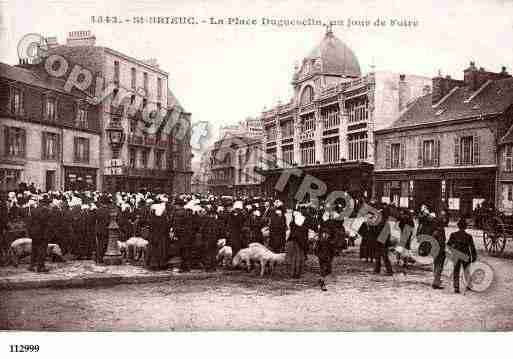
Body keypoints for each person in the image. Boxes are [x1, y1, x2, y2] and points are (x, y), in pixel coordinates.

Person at [447, 218, 477, 293]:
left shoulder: (453, 235)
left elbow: (448, 245)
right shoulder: (469, 236)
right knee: (466, 270)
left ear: (458, 226)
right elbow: (472, 247)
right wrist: (473, 256)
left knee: (456, 271)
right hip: (465, 255)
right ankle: (469, 285)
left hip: (456, 255)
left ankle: (456, 287)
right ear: (465, 227)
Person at [28, 195, 52, 273]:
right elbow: (47, 223)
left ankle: (32, 266)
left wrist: (31, 232)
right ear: (45, 203)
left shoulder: (33, 210)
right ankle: (40, 266)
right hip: (43, 234)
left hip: (34, 233)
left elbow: (30, 223)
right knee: (42, 250)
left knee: (34, 249)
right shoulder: (47, 211)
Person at [145, 202, 170, 271]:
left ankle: (154, 264)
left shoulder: (152, 218)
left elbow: (150, 227)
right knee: (161, 251)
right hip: (161, 237)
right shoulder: (163, 218)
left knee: (154, 251)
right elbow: (166, 227)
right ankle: (161, 264)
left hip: (154, 236)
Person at [314, 224, 336, 291]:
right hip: (322, 258)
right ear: (322, 234)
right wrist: (319, 255)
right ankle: (322, 284)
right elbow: (316, 250)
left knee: (329, 271)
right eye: (324, 234)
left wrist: (332, 257)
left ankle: (320, 280)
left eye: (327, 234)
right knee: (323, 270)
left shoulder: (330, 242)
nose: (326, 235)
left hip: (328, 258)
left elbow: (332, 250)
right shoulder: (319, 241)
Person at [286, 211, 308, 278]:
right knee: (298, 259)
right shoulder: (303, 224)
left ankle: (293, 273)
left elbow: (292, 233)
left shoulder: (293, 224)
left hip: (295, 242)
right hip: (300, 243)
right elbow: (304, 235)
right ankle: (297, 274)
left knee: (294, 259)